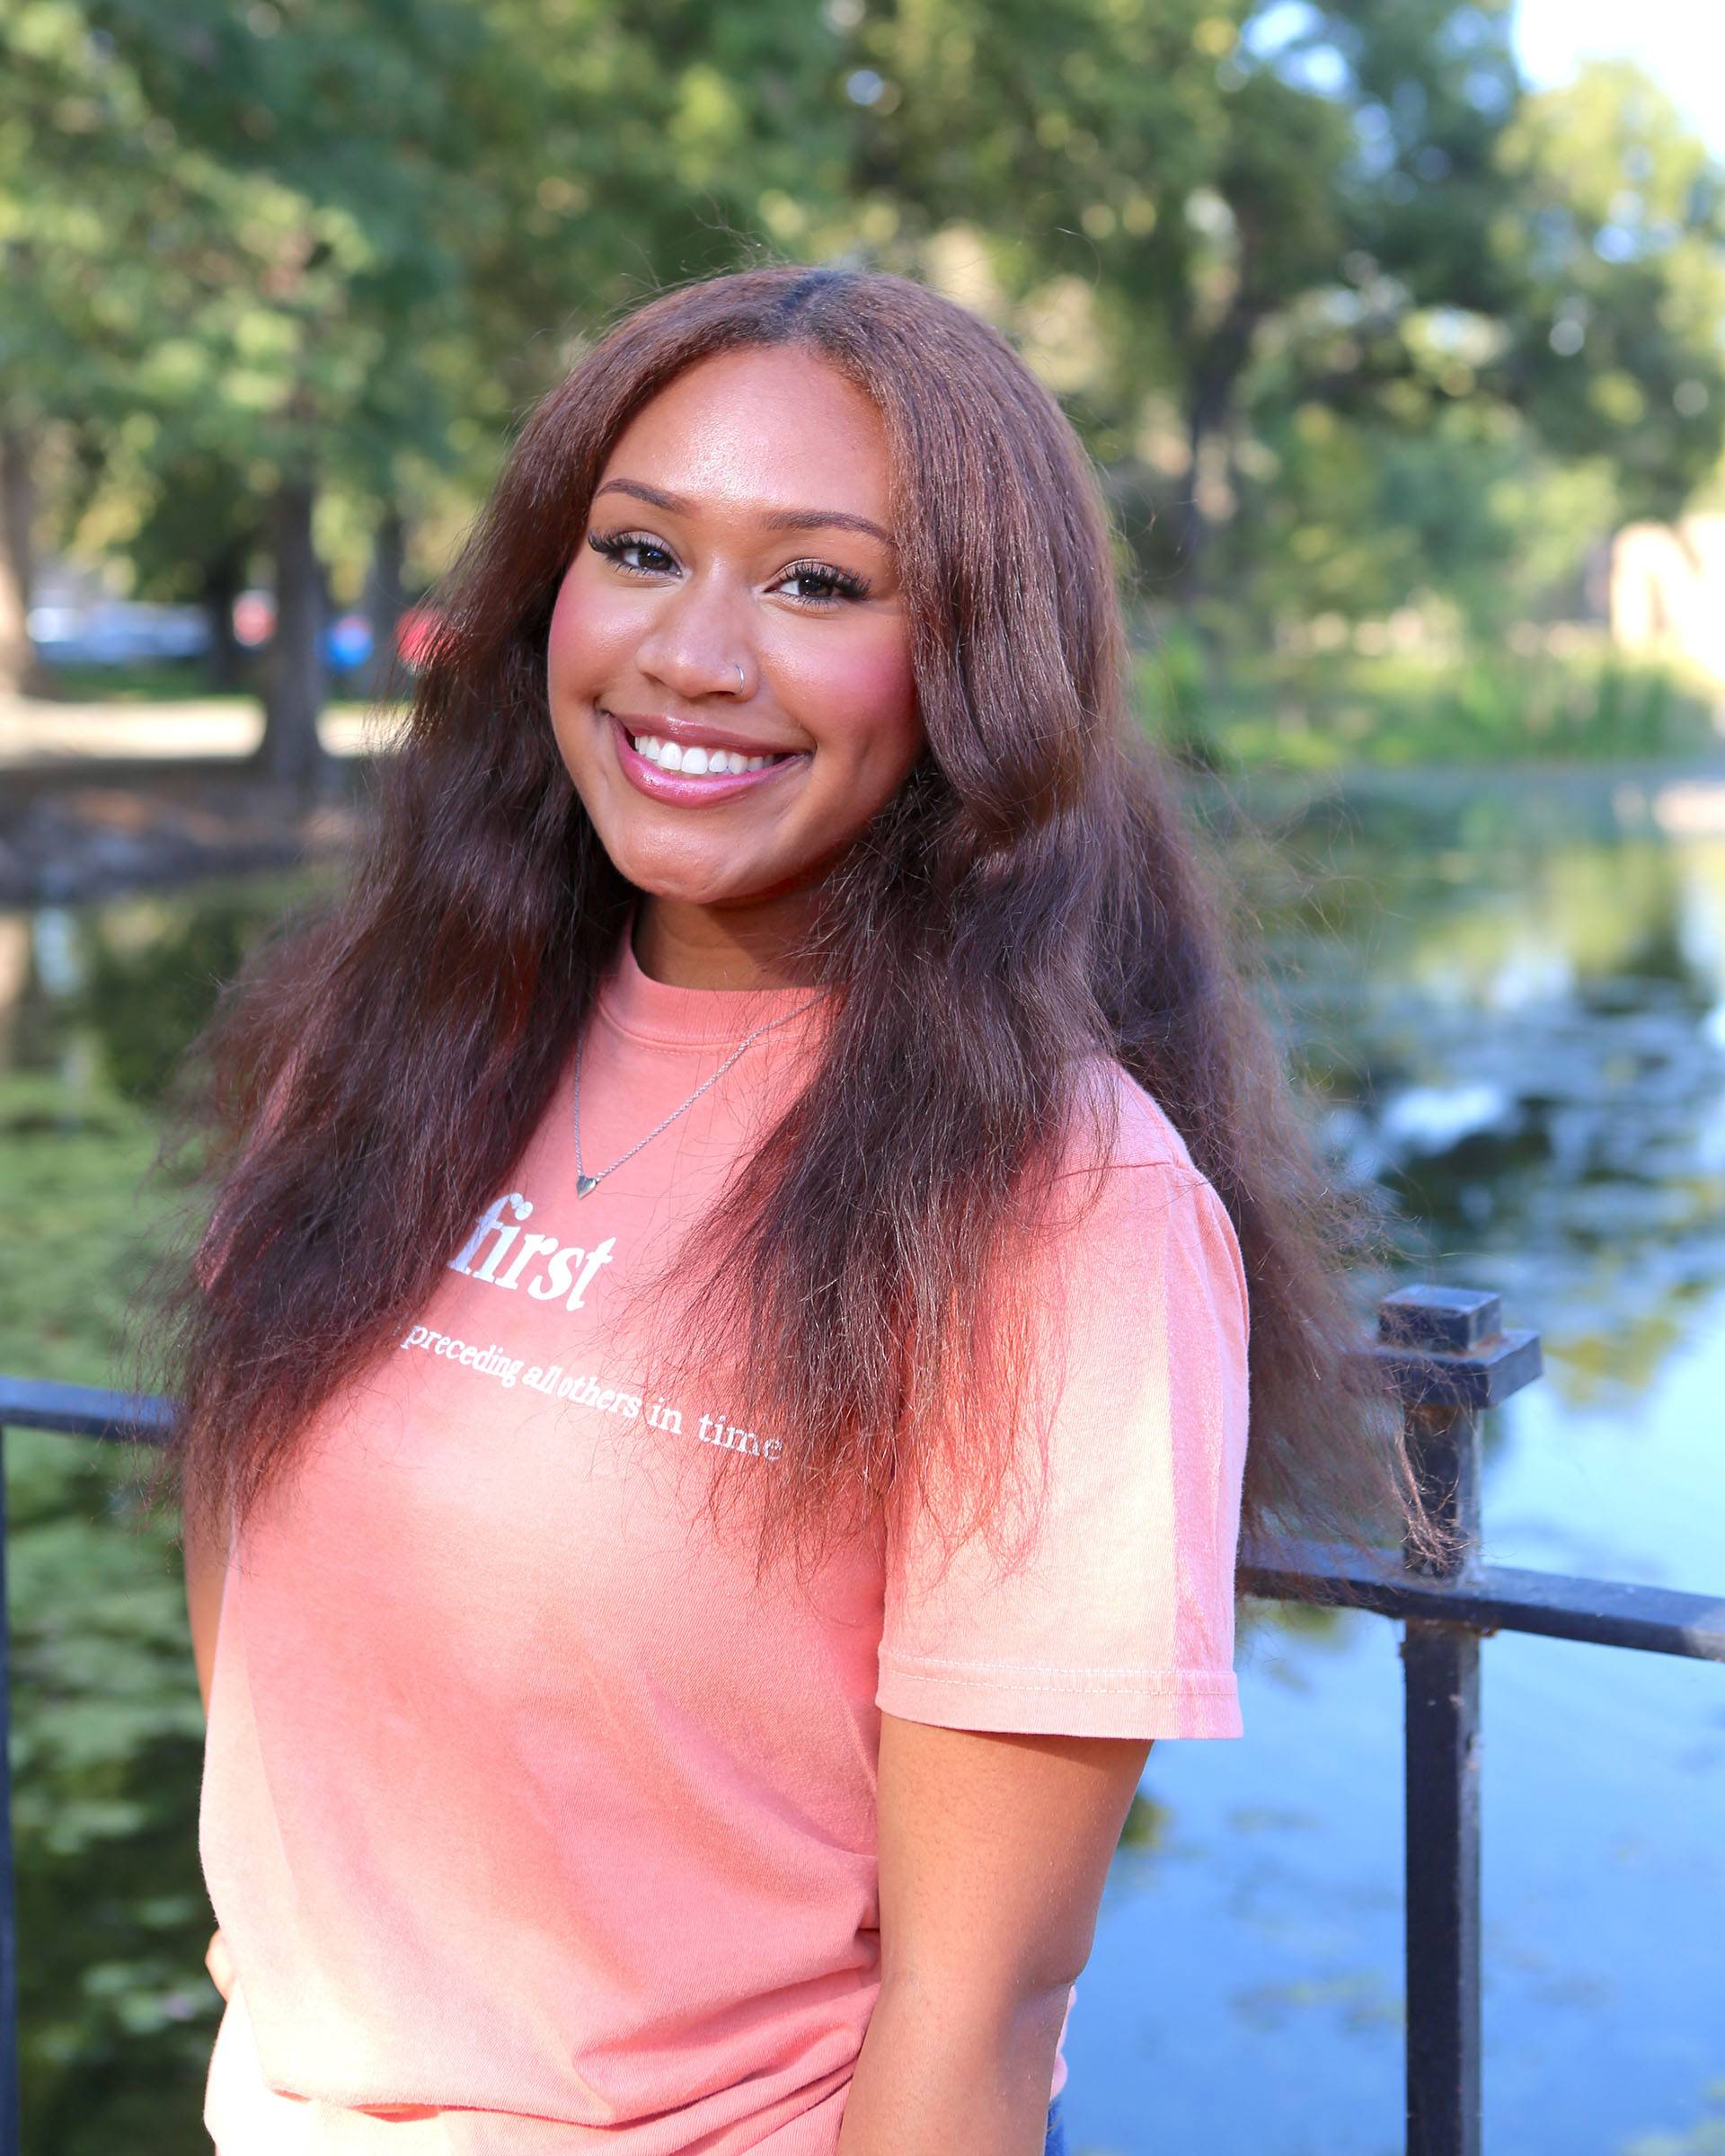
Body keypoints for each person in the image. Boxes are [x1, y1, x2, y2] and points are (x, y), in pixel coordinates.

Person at [153, 261, 1438, 2155]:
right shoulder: (385, 1040)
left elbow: (976, 2014)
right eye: (642, 551)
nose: (693, 654)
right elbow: (248, 1539)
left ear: (976, 668)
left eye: (820, 582)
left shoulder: (1056, 1202)